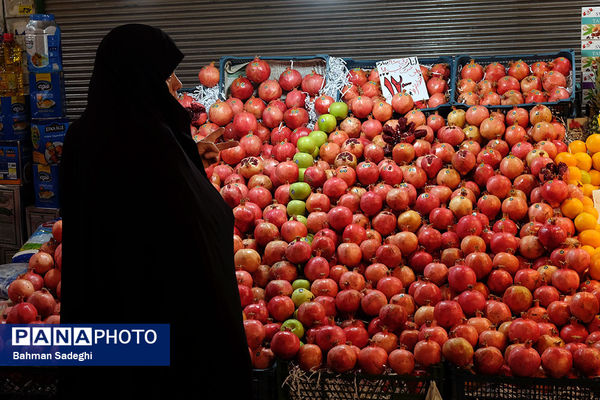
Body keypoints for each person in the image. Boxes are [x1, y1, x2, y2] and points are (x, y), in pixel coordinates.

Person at [59, 24, 252, 399]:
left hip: (111, 319)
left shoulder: (84, 137)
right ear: (139, 79)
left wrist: (189, 159)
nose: (178, 85)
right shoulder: (153, 142)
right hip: (164, 320)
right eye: (167, 75)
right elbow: (181, 224)